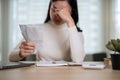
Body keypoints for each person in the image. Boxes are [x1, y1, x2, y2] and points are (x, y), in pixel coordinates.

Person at [9, 0, 85, 63]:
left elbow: (78, 60)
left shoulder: (75, 32)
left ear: (71, 12)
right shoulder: (38, 29)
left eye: (62, 10)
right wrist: (20, 53)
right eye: (53, 9)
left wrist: (70, 21)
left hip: (66, 75)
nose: (56, 13)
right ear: (49, 7)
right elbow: (10, 57)